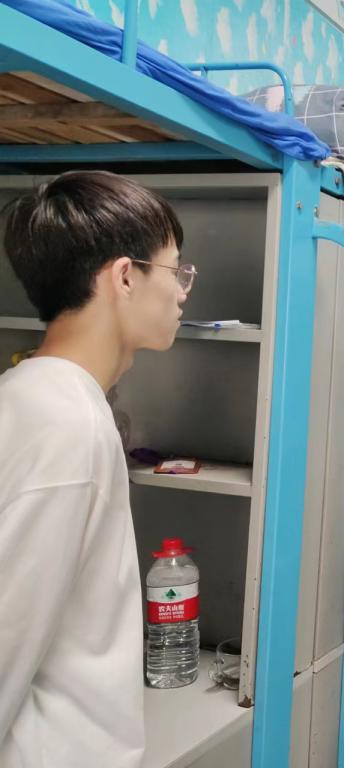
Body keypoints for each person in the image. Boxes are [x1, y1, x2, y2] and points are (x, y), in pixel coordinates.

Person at [0, 171, 191, 766]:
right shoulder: (68, 426)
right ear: (125, 276)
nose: (183, 293)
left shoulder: (36, 396)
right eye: (176, 271)